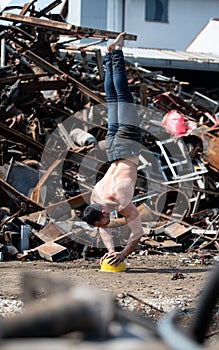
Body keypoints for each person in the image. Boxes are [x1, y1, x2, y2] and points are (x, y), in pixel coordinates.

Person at [82, 32, 144, 266]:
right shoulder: (95, 197)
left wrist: (122, 254)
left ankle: (116, 52)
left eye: (104, 222)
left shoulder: (121, 202)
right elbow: (103, 229)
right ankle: (109, 56)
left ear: (104, 215)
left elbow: (137, 233)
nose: (106, 226)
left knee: (123, 96)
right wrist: (110, 250)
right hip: (113, 148)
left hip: (127, 144)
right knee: (113, 99)